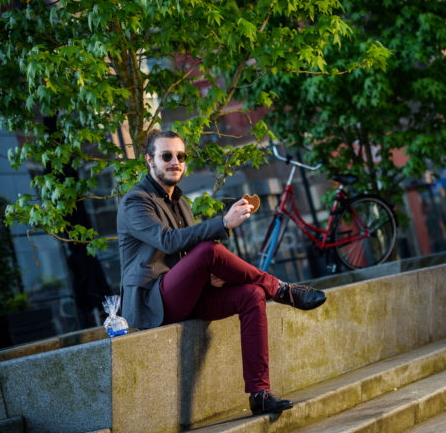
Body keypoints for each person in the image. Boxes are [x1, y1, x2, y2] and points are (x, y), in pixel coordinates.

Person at [117, 130, 326, 415]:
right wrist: (223, 224)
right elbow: (168, 241)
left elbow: (188, 255)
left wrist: (217, 274)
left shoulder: (180, 202)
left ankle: (259, 393)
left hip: (188, 297)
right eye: (166, 156)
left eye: (180, 156)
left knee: (252, 294)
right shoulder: (135, 202)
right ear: (149, 161)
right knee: (209, 250)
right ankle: (282, 289)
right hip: (154, 304)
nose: (174, 162)